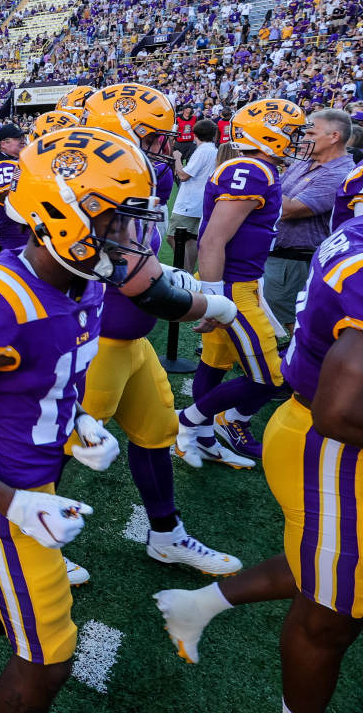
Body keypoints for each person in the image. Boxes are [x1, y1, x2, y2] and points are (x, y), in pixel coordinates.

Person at [0, 126, 236, 709]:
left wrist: (78, 419)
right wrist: (16, 503)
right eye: (114, 222)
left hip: (34, 479)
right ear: (61, 214)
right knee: (50, 654)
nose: (129, 239)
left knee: (10, 604)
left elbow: (40, 373)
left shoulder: (81, 278)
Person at [155, 218, 363, 713]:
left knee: (333, 569)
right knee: (330, 615)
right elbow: (342, 411)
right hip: (333, 445)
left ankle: (199, 604)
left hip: (318, 428)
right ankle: (196, 424)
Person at [75, 86, 241, 582]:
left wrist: (181, 279)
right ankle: (29, 542)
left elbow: (143, 262)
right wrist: (213, 303)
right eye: (155, 137)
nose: (167, 148)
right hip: (94, 342)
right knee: (60, 449)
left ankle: (166, 536)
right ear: (123, 130)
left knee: (156, 433)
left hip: (132, 341)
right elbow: (135, 284)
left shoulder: (134, 180)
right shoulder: (89, 189)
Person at [178, 99, 309, 465]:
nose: (298, 139)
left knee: (214, 364)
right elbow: (213, 240)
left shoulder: (258, 168)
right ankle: (187, 423)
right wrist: (215, 299)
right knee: (272, 376)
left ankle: (202, 437)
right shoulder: (252, 169)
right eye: (293, 131)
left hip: (241, 281)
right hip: (233, 285)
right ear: (270, 131)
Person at [265, 109, 355, 333]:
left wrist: (259, 182)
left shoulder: (340, 172)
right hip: (277, 252)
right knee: (268, 312)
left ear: (334, 136)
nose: (304, 139)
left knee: (285, 321)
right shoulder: (305, 161)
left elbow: (290, 209)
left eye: (311, 134)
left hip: (294, 258)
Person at [170, 119, 219, 273]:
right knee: (190, 239)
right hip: (201, 202)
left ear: (195, 134)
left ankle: (185, 273)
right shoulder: (213, 150)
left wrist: (177, 158)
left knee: (173, 237)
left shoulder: (203, 150)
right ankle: (189, 273)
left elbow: (184, 175)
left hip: (188, 203)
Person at [0, 123, 30, 253]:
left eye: (23, 136)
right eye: (18, 138)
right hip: (15, 232)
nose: (23, 140)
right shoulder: (1, 166)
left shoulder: (20, 160)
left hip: (24, 229)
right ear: (3, 144)